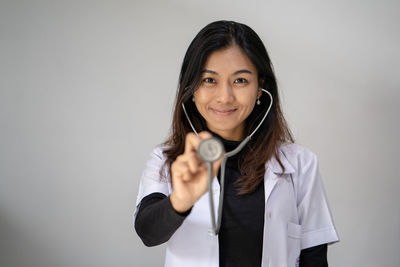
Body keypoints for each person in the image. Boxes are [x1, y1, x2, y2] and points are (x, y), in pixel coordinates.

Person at [134, 20, 339, 267]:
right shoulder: (166, 159)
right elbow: (147, 232)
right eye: (209, 80)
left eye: (240, 80)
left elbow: (314, 257)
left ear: (260, 87)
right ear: (192, 88)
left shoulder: (300, 164)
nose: (224, 97)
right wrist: (181, 200)